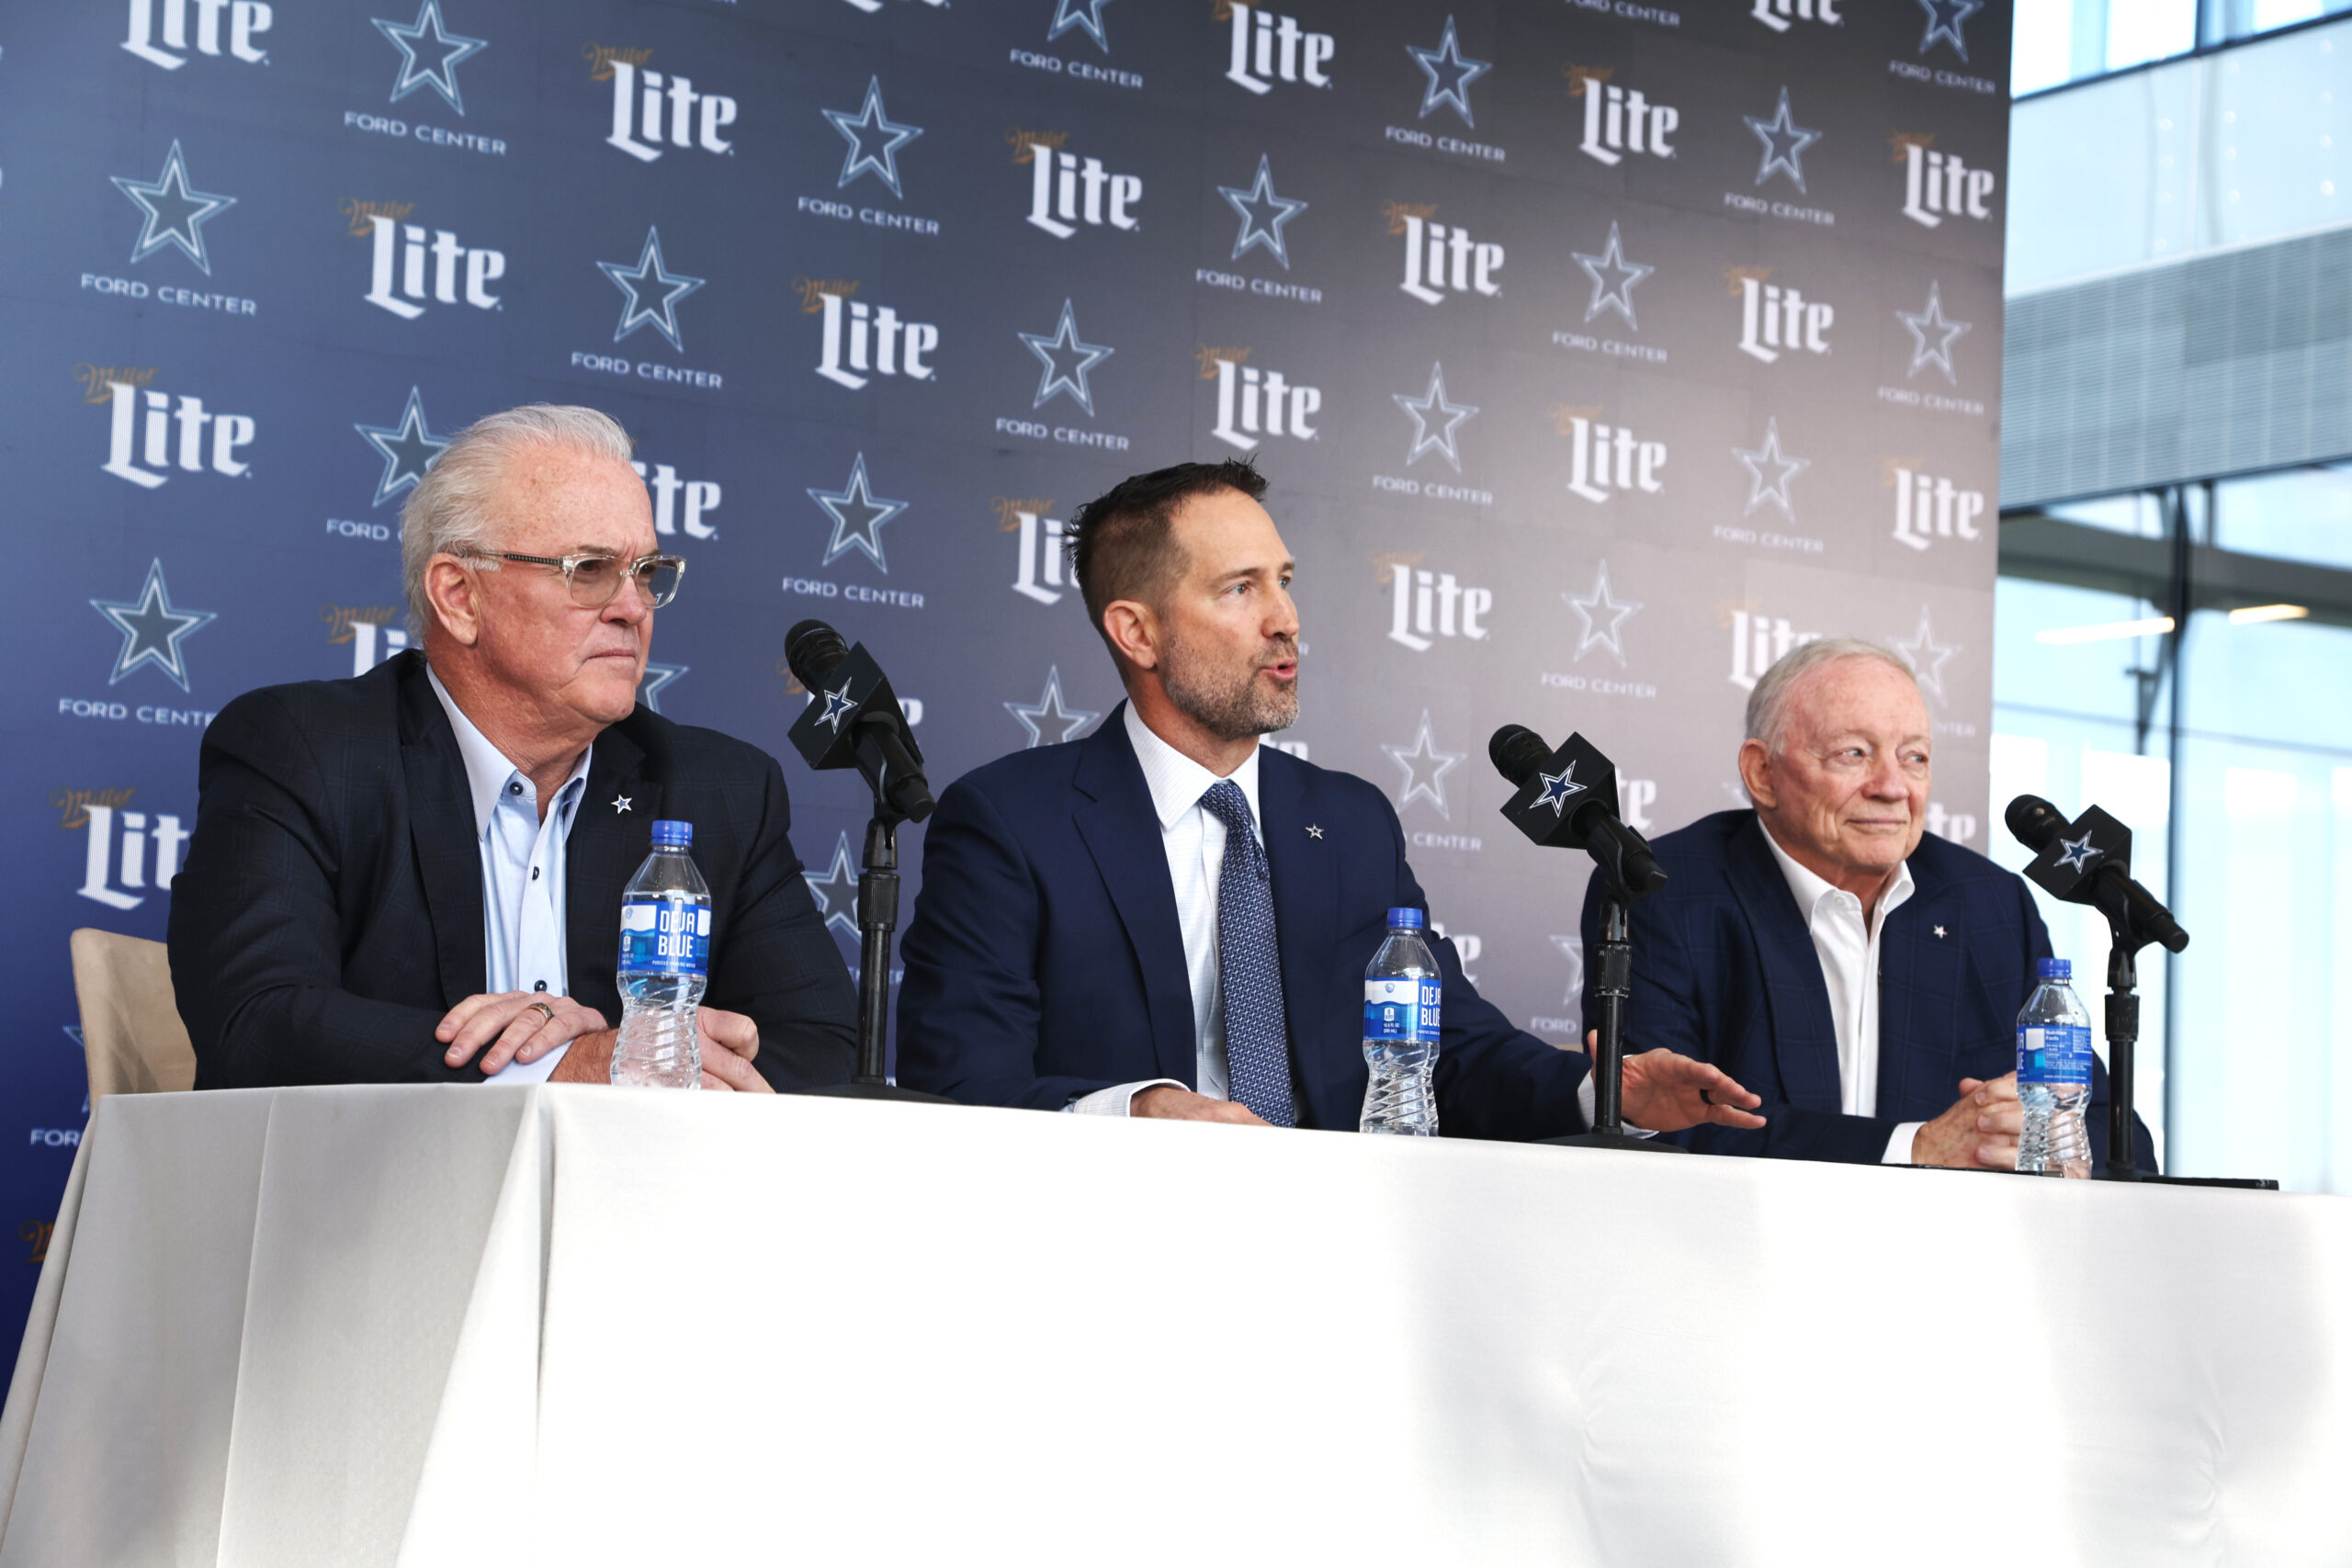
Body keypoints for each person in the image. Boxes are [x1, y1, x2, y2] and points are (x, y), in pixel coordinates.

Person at [895, 459, 1762, 1138]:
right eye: (1241, 588)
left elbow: (1447, 1049)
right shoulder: (1012, 822)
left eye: (1284, 579)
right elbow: (963, 1083)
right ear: (1137, 630)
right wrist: (1136, 1114)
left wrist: (1601, 1089)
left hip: (1344, 1250)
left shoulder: (1350, 823)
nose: (1286, 618)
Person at [170, 405, 857, 1092]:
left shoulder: (719, 790)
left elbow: (826, 1051)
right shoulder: (307, 751)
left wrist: (645, 1058)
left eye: (645, 571)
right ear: (460, 596)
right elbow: (256, 1025)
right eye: (589, 569)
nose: (633, 607)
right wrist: (560, 1069)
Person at [1577, 637, 2157, 1170]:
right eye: (1854, 754)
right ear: (1762, 773)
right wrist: (1916, 1148)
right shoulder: (1661, 892)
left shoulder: (1990, 905)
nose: (1892, 786)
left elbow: (2110, 1131)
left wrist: (2043, 1141)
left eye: (1915, 758)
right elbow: (1654, 1125)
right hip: (1732, 1254)